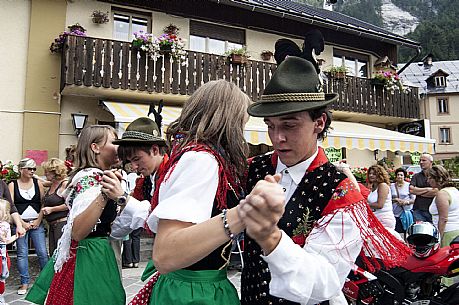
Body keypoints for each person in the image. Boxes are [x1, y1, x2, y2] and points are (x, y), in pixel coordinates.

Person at [239, 56, 410, 305]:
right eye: (271, 126)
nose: (277, 138)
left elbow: (325, 282)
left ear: (319, 123)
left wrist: (270, 238)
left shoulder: (340, 189)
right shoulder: (254, 168)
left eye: (289, 125)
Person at [128, 79, 284, 305]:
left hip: (201, 287)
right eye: (240, 124)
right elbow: (166, 254)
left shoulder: (202, 157)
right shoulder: (200, 160)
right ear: (227, 122)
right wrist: (244, 213)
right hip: (193, 293)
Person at [26, 125, 150, 305]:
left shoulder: (100, 176)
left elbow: (111, 226)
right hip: (89, 257)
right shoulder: (91, 178)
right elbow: (78, 231)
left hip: (97, 252)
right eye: (113, 141)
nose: (118, 147)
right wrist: (105, 194)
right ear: (95, 147)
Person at [114, 117, 169, 269]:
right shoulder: (145, 180)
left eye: (137, 159)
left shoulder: (173, 174)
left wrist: (123, 198)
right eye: (130, 162)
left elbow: (160, 221)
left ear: (155, 150)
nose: (134, 167)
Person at [8, 158, 48, 295]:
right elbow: (11, 205)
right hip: (20, 224)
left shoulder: (38, 183)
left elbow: (43, 203)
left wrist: (38, 220)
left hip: (37, 223)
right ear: (21, 170)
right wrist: (21, 223)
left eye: (34, 169)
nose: (32, 171)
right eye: (29, 169)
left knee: (42, 253)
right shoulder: (13, 184)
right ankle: (24, 283)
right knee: (22, 254)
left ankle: (46, 282)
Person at [427, 165, 459, 286]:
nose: (428, 180)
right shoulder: (454, 190)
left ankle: (446, 290)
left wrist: (438, 238)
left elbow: (443, 219)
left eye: (430, 177)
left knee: (446, 266)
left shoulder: (442, 194)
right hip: (455, 230)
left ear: (437, 178)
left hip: (446, 232)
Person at [41, 158, 69, 255]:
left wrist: (52, 209)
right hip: (52, 224)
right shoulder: (52, 184)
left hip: (61, 224)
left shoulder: (64, 184)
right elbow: (42, 182)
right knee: (53, 254)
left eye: (47, 172)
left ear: (55, 172)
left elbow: (70, 204)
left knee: (60, 254)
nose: (45, 174)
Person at [0, 198, 19, 305]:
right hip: (1, 255)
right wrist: (15, 237)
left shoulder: (5, 225)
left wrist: (15, 236)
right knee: (2, 276)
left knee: (2, 276)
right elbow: (6, 240)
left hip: (2, 254)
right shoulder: (5, 225)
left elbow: (5, 240)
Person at [367, 165, 396, 230]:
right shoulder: (373, 187)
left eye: (374, 174)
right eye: (370, 173)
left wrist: (365, 205)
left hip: (384, 218)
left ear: (379, 175)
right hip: (375, 218)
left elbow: (380, 205)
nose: (371, 175)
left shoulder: (383, 185)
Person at [410, 154, 437, 222]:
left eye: (424, 160)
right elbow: (411, 190)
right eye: (420, 161)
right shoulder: (416, 176)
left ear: (431, 162)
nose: (421, 162)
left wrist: (419, 192)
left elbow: (436, 191)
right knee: (419, 231)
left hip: (433, 210)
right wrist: (428, 189)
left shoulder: (436, 175)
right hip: (419, 210)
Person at [391, 167, 415, 234]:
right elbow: (388, 199)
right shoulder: (391, 186)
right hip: (395, 212)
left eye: (401, 175)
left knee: (407, 232)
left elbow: (414, 199)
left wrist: (406, 202)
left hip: (405, 212)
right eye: (398, 175)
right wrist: (395, 199)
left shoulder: (408, 186)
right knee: (396, 232)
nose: (399, 176)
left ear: (404, 176)